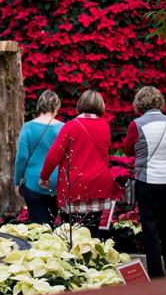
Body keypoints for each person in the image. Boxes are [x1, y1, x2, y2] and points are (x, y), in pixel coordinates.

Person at [39, 90, 114, 238]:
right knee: (93, 231)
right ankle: (93, 259)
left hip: (75, 185)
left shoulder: (71, 126)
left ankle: (76, 260)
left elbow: (54, 155)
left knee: (72, 232)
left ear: (80, 104)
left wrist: (44, 177)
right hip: (99, 184)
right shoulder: (105, 126)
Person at [124, 86, 166, 278]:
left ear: (139, 102)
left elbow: (128, 150)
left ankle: (157, 276)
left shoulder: (136, 125)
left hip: (148, 180)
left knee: (150, 229)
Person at [13, 90, 64, 226]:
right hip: (56, 183)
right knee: (51, 223)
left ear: (39, 106)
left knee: (39, 227)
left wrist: (17, 182)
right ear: (57, 107)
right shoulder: (63, 128)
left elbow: (22, 157)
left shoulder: (28, 127)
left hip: (33, 183)